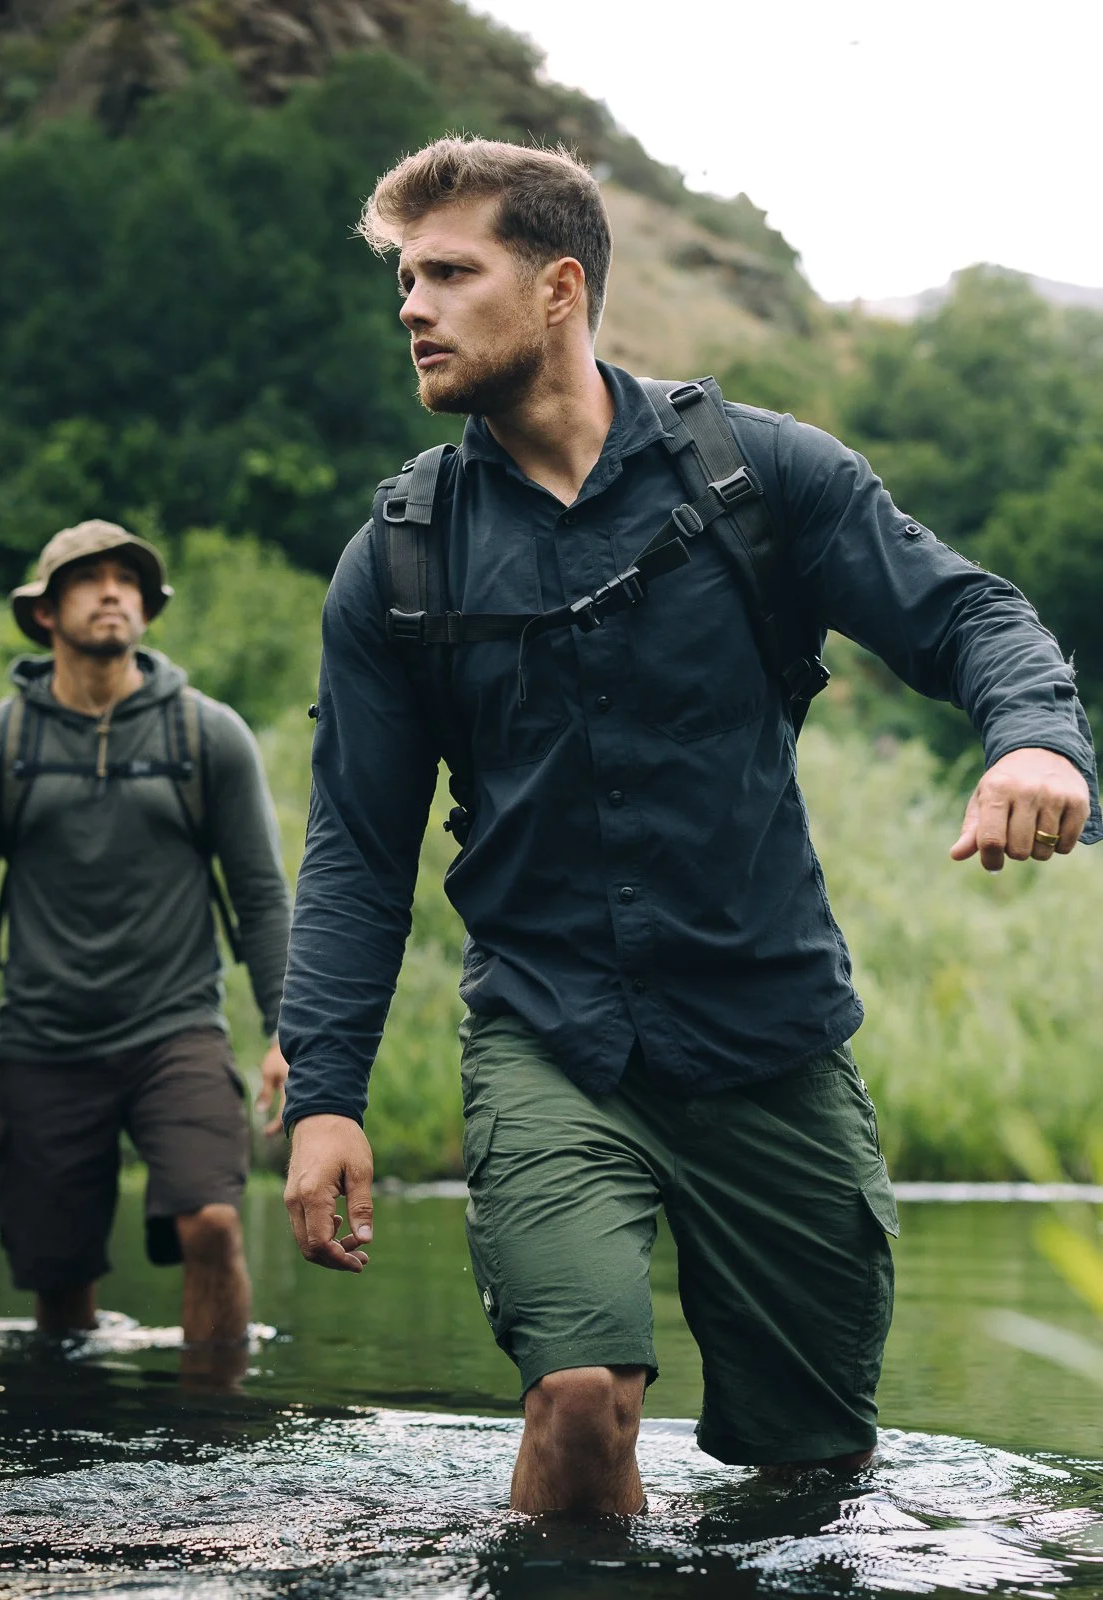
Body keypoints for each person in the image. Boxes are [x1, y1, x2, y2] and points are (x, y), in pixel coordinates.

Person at [276, 138, 1101, 1512]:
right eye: (404, 279)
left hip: (771, 1037)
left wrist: (1033, 738)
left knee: (815, 1470)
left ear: (557, 288)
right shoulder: (398, 562)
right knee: (583, 1399)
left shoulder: (759, 478)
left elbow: (970, 615)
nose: (410, 307)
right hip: (551, 1039)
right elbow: (358, 849)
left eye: (449, 273)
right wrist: (325, 1097)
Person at [0, 520, 292, 1352]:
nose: (112, 592)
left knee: (211, 1225)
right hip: (43, 1040)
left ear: (146, 607)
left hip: (177, 1034)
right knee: (60, 1289)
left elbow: (263, 897)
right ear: (47, 613)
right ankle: (72, 1455)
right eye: (88, 580)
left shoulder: (208, 736)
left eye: (128, 580)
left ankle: (217, 1447)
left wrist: (286, 1030)